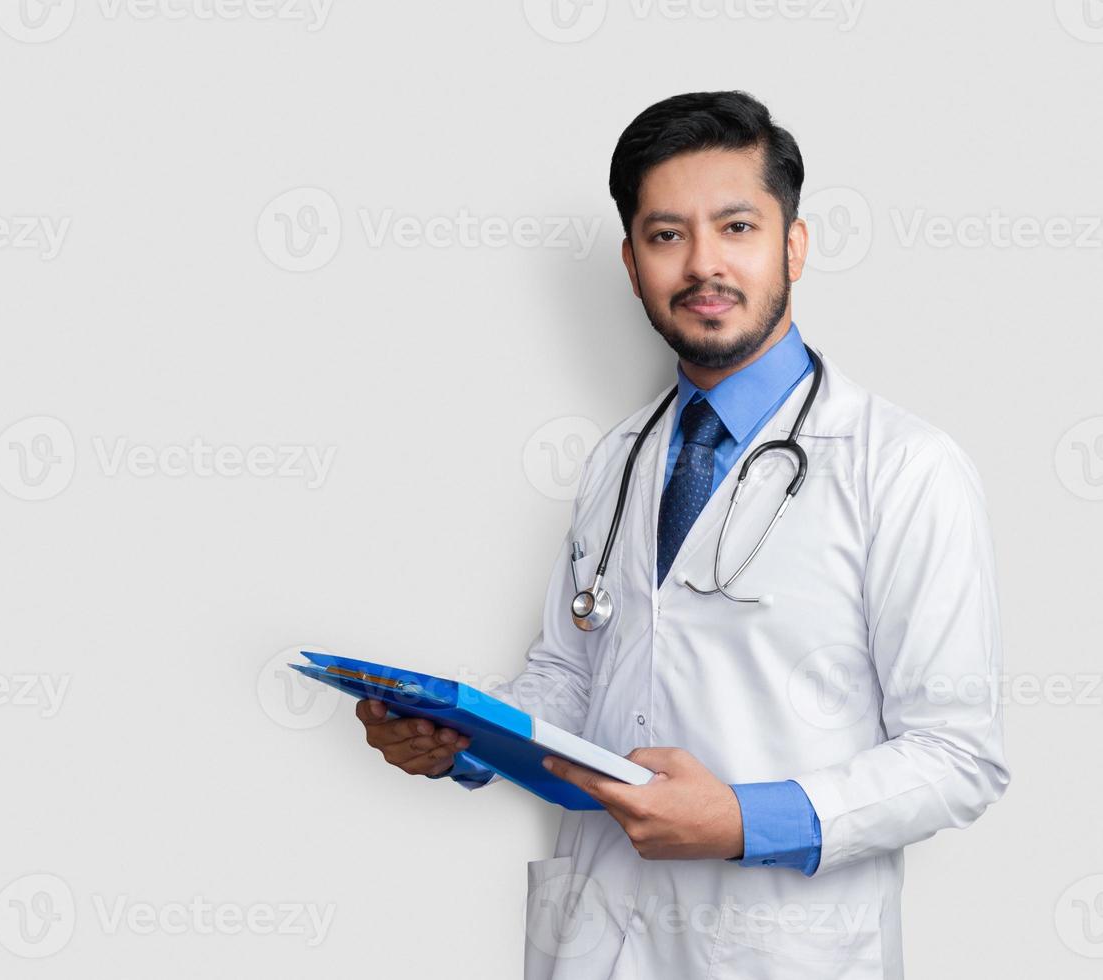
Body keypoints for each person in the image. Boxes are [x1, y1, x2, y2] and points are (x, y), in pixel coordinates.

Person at [356, 90, 1008, 980]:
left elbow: (957, 754)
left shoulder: (902, 467)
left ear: (795, 244)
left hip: (783, 949)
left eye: (736, 226)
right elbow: (573, 673)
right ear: (631, 263)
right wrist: (462, 741)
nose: (704, 264)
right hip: (600, 938)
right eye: (667, 236)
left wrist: (744, 820)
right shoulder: (619, 459)